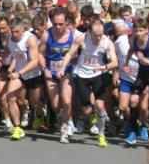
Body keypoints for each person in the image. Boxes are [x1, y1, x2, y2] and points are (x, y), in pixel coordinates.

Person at [59, 18, 118, 148]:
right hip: (82, 74)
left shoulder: (107, 42)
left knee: (101, 106)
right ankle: (92, 113)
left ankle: (101, 135)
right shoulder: (82, 38)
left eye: (100, 34)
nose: (98, 37)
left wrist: (104, 67)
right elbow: (69, 54)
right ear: (90, 32)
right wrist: (62, 68)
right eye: (96, 35)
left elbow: (115, 62)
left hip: (98, 74)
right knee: (86, 110)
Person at [40, 8, 77, 143]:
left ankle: (65, 130)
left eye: (61, 24)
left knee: (66, 101)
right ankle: (65, 117)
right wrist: (44, 68)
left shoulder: (73, 36)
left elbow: (78, 55)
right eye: (55, 24)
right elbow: (40, 54)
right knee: (56, 105)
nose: (57, 27)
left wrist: (73, 58)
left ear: (67, 22)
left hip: (66, 71)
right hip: (51, 71)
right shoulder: (46, 35)